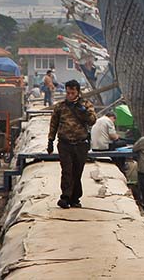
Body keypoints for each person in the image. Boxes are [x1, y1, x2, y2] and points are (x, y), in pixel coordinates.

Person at [47, 79, 96, 209]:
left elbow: (92, 121)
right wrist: (50, 140)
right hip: (65, 144)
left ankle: (75, 198)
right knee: (67, 171)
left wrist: (83, 111)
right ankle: (65, 197)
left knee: (77, 172)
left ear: (77, 92)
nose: (69, 95)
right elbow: (54, 124)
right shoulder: (60, 106)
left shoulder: (86, 104)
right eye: (68, 92)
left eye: (72, 93)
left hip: (80, 144)